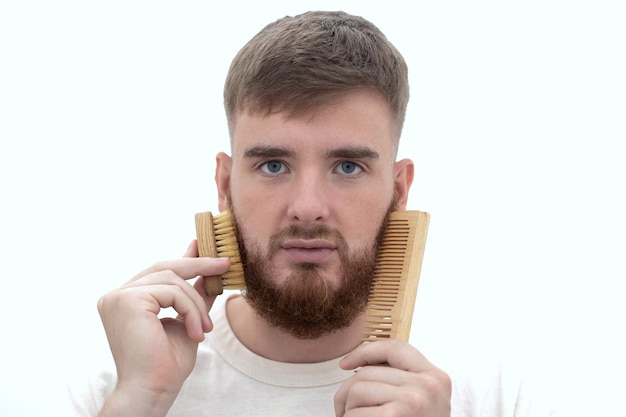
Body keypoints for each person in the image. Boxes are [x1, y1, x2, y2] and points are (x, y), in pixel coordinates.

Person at [68, 10, 553, 417]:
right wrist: (142, 402)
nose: (307, 207)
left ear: (398, 191)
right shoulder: (116, 388)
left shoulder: (490, 392)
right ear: (224, 185)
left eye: (347, 166)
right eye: (274, 165)